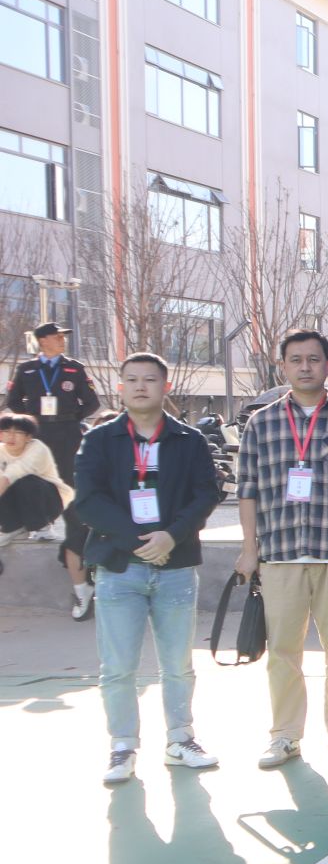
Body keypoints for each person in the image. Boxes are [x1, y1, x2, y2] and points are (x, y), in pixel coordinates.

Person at [72, 353, 221, 784]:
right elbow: (88, 500)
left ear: (165, 386)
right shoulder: (99, 440)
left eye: (150, 379)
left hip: (175, 566)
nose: (141, 386)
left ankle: (180, 739)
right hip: (120, 568)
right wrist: (136, 540)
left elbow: (205, 494)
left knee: (178, 664)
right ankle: (122, 746)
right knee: (118, 666)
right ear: (120, 388)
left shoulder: (189, 440)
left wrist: (171, 535)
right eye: (132, 380)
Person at [235, 329, 328, 768]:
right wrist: (248, 548)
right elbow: (247, 490)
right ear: (283, 366)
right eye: (296, 359)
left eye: (313, 359)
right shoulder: (261, 423)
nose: (305, 367)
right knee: (283, 651)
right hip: (280, 554)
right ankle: (285, 735)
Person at [7, 322, 99, 618]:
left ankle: (76, 534)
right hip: (38, 432)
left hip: (67, 432)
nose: (62, 340)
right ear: (42, 341)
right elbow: (13, 402)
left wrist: (69, 416)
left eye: (63, 336)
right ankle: (41, 524)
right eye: (57, 336)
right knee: (35, 478)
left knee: (69, 482)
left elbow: (92, 402)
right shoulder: (27, 370)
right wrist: (33, 420)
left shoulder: (74, 368)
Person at [0, 412, 71, 575]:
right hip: (16, 503)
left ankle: (41, 526)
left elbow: (15, 472)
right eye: (6, 431)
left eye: (18, 432)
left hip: (48, 503)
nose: (11, 436)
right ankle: (12, 526)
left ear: (28, 436)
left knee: (26, 480)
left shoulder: (37, 448)